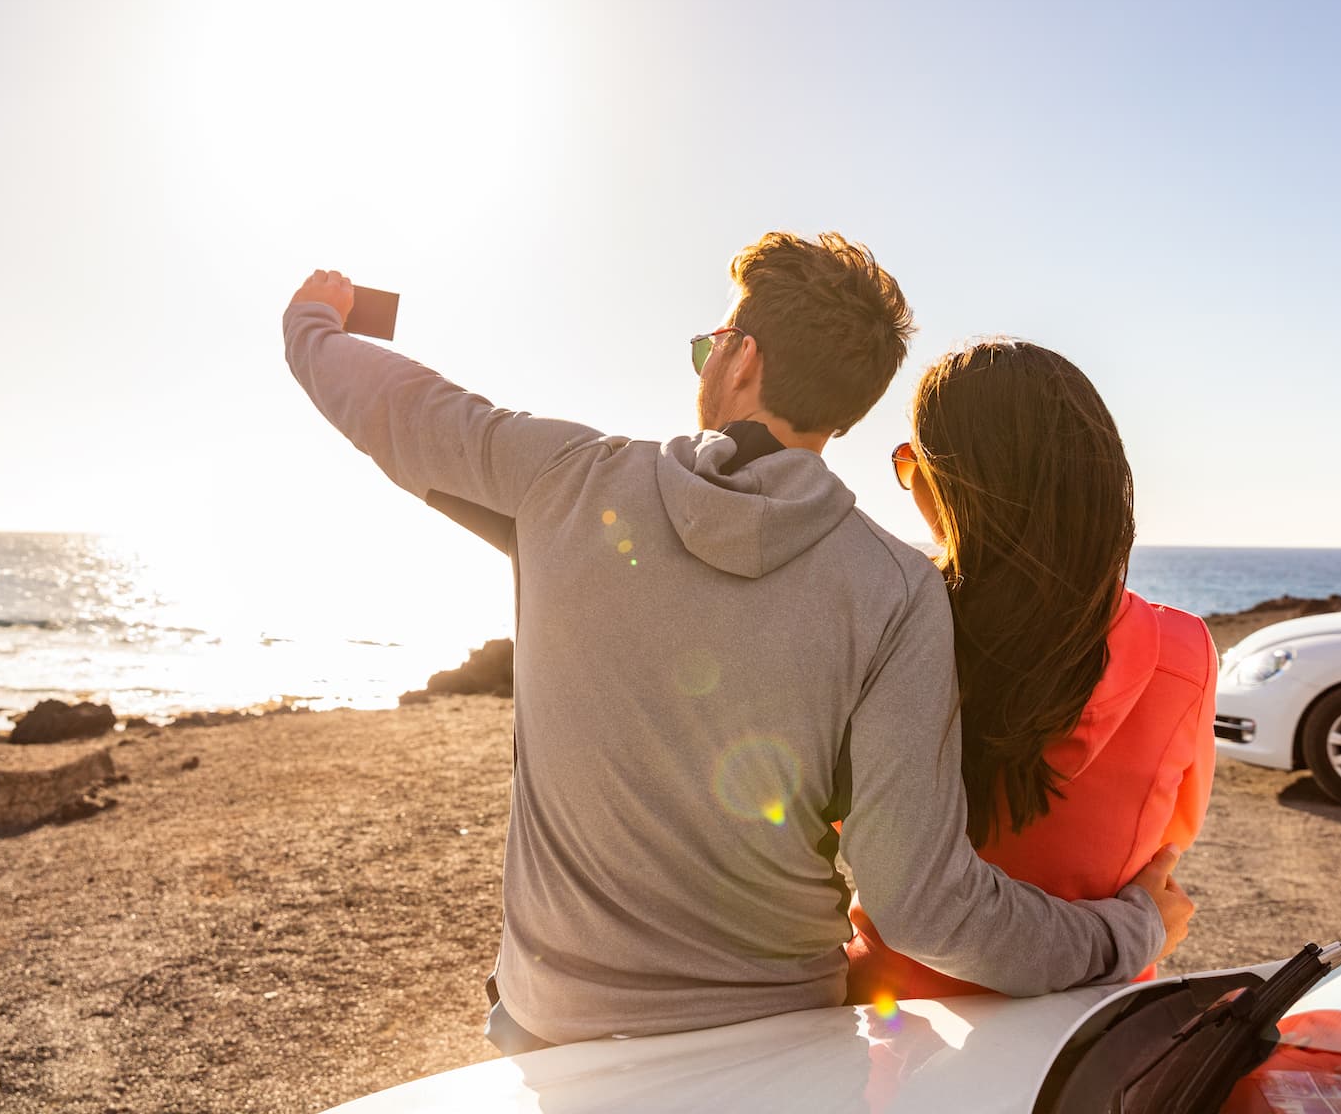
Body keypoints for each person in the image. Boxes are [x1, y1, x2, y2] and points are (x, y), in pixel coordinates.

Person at [284, 234, 1190, 1052]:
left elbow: (397, 406)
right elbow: (925, 906)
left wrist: (313, 327)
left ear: (742, 357)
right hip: (781, 1045)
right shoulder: (896, 590)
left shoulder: (568, 477)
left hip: (553, 1023)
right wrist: (1129, 930)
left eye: (707, 344)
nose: (704, 362)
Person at [846, 340, 1217, 1002]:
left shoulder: (884, 631)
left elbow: (855, 832)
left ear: (954, 483)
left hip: (898, 1015)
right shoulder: (1184, 650)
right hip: (1091, 1018)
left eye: (912, 460)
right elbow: (1171, 840)